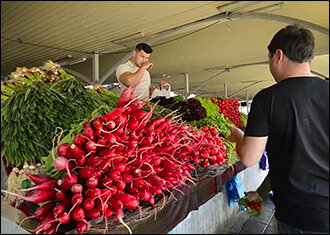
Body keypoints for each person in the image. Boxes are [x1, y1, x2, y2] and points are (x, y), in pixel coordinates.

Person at [226, 24, 329, 234]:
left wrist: (238, 137)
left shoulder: (267, 98)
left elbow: (248, 158)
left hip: (299, 215)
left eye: (269, 58)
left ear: (278, 56)